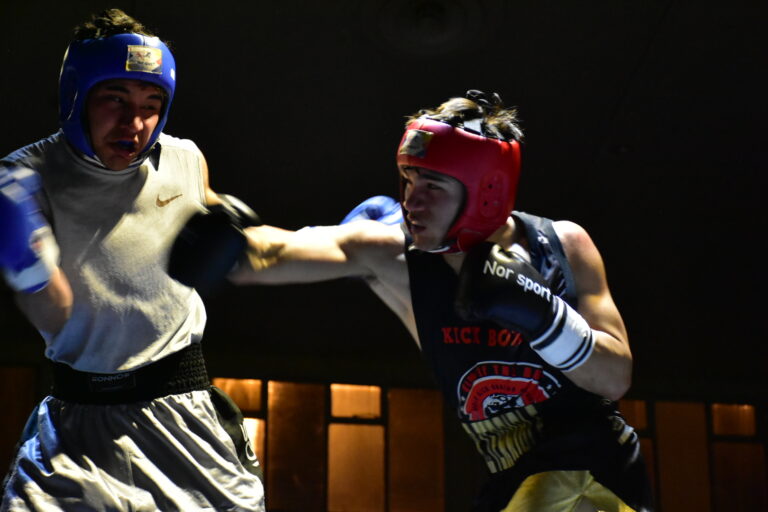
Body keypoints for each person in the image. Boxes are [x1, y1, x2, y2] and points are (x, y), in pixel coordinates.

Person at [230, 91, 653, 511]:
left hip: (601, 475)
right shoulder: (392, 254)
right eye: (409, 179)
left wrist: (542, 313)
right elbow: (267, 254)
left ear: (487, 189)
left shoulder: (562, 244)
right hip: (509, 483)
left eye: (432, 185)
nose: (411, 201)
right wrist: (206, 223)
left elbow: (615, 377)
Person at [0, 9, 265, 511]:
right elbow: (55, 313)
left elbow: (247, 250)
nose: (134, 124)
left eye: (151, 104)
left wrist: (348, 238)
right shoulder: (27, 175)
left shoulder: (184, 159)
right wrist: (24, 259)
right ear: (76, 95)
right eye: (115, 99)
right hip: (76, 426)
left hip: (183, 413)